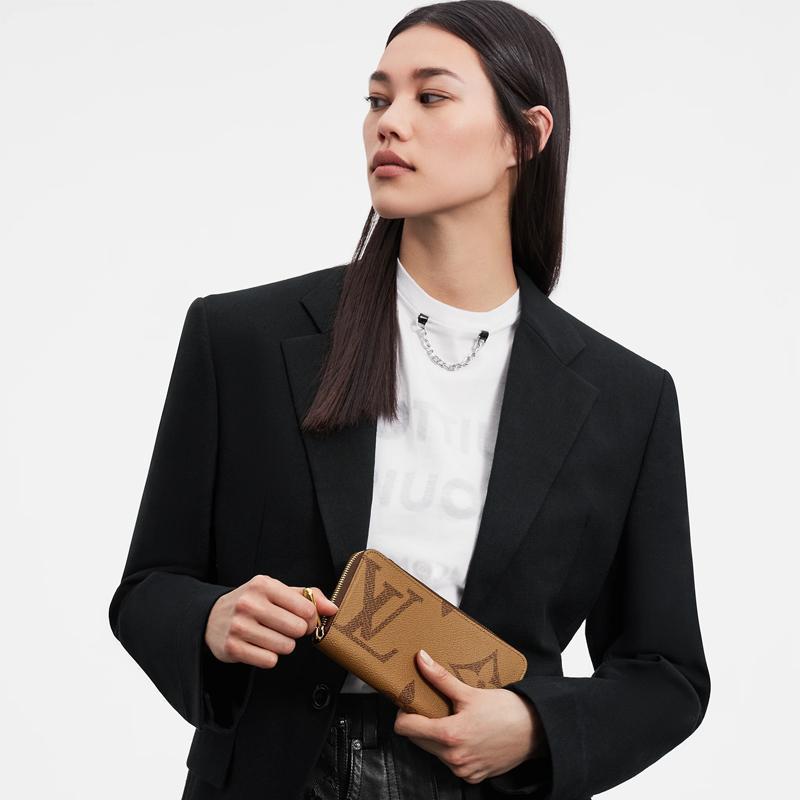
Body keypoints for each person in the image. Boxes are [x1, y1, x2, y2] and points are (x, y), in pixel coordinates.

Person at [108, 2, 711, 799]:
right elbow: (149, 586)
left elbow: (666, 673)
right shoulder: (240, 339)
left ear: (524, 137)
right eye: (377, 98)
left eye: (430, 97)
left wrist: (534, 727)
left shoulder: (626, 398)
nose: (388, 122)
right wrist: (212, 622)